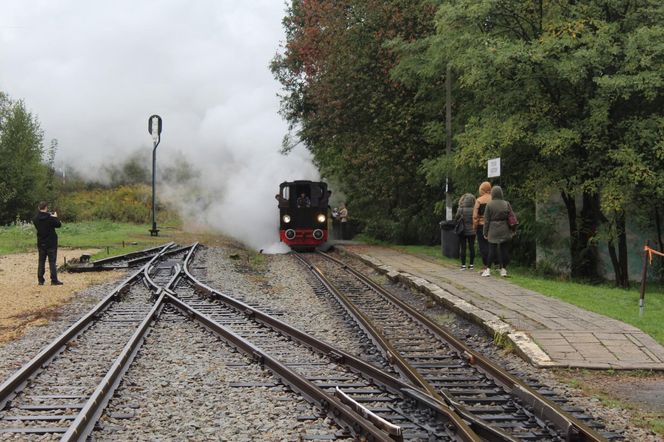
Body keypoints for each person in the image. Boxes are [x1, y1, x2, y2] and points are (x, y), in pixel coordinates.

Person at [482, 186, 513, 277]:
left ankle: (487, 269)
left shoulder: (489, 205)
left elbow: (486, 220)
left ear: (493, 194)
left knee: (492, 250)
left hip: (493, 229)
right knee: (504, 250)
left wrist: (485, 232)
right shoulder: (506, 203)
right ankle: (503, 270)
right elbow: (510, 217)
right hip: (504, 228)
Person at [33, 201, 63, 285]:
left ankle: (40, 280)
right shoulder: (50, 217)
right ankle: (54, 280)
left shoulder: (35, 218)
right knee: (52, 261)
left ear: (39, 208)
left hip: (41, 242)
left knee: (41, 261)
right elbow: (58, 225)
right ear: (46, 208)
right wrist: (55, 217)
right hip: (51, 242)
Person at [473, 181, 492, 272]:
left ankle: (486, 265)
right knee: (491, 245)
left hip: (481, 225)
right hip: (492, 225)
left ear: (482, 190)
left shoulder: (479, 200)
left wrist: (475, 226)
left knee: (483, 246)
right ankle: (494, 264)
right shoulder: (494, 199)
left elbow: (475, 216)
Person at [455, 193, 476, 270]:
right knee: (471, 247)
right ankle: (471, 265)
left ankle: (463, 265)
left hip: (462, 230)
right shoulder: (474, 209)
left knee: (463, 247)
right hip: (472, 231)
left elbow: (456, 218)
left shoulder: (460, 209)